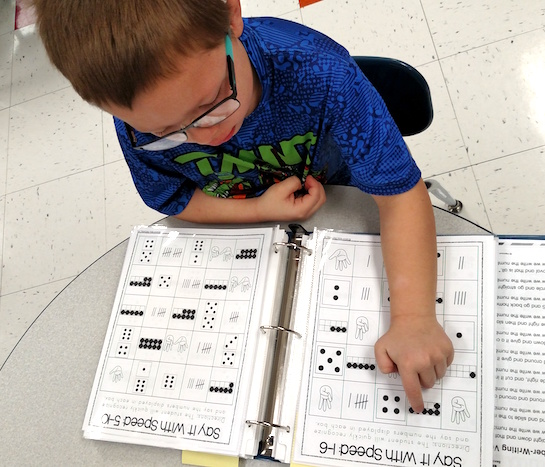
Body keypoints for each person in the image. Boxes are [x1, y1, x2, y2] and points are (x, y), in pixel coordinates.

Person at [33, 0, 454, 412]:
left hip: (344, 192)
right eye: (168, 132)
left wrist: (415, 319)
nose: (203, 135)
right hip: (248, 228)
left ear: (231, 14)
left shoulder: (322, 73)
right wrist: (259, 211)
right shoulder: (139, 118)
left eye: (212, 102)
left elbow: (400, 194)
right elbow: (174, 198)